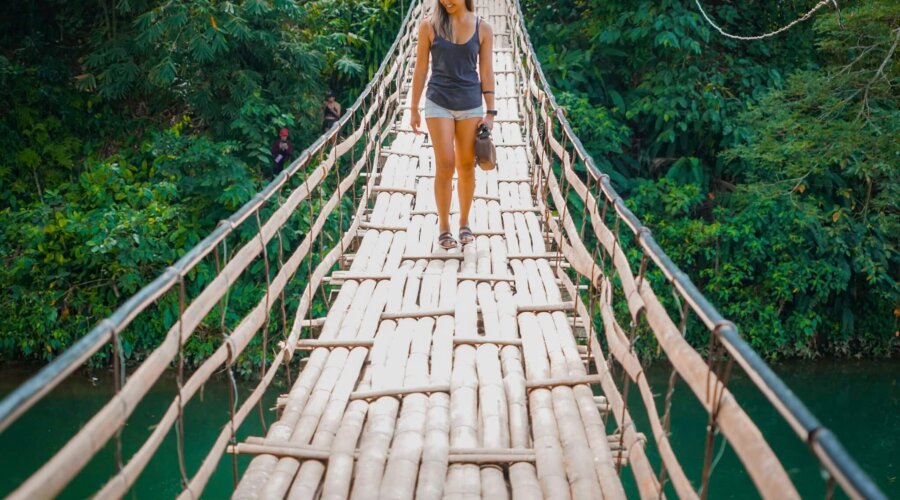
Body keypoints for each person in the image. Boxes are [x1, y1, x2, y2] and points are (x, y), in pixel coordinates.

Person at [410, 0, 495, 249]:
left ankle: (464, 223)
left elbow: (487, 71)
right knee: (446, 164)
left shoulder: (483, 28)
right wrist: (413, 107)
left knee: (466, 165)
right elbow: (421, 68)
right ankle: (444, 227)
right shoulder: (429, 26)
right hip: (439, 101)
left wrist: (491, 111)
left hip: (470, 103)